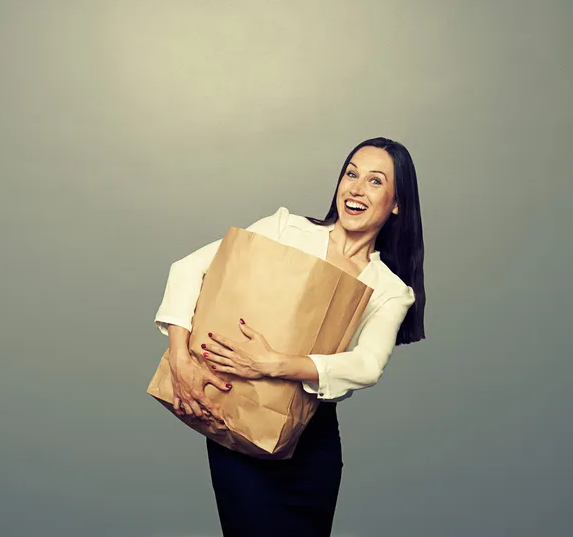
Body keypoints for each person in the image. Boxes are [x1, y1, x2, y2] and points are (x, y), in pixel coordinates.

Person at [153, 137, 426, 537]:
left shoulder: (389, 289)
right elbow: (188, 268)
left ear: (397, 202)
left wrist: (273, 363)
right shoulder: (286, 229)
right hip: (242, 421)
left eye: (374, 181)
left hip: (312, 445)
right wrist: (179, 358)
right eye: (351, 174)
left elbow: (367, 365)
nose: (355, 188)